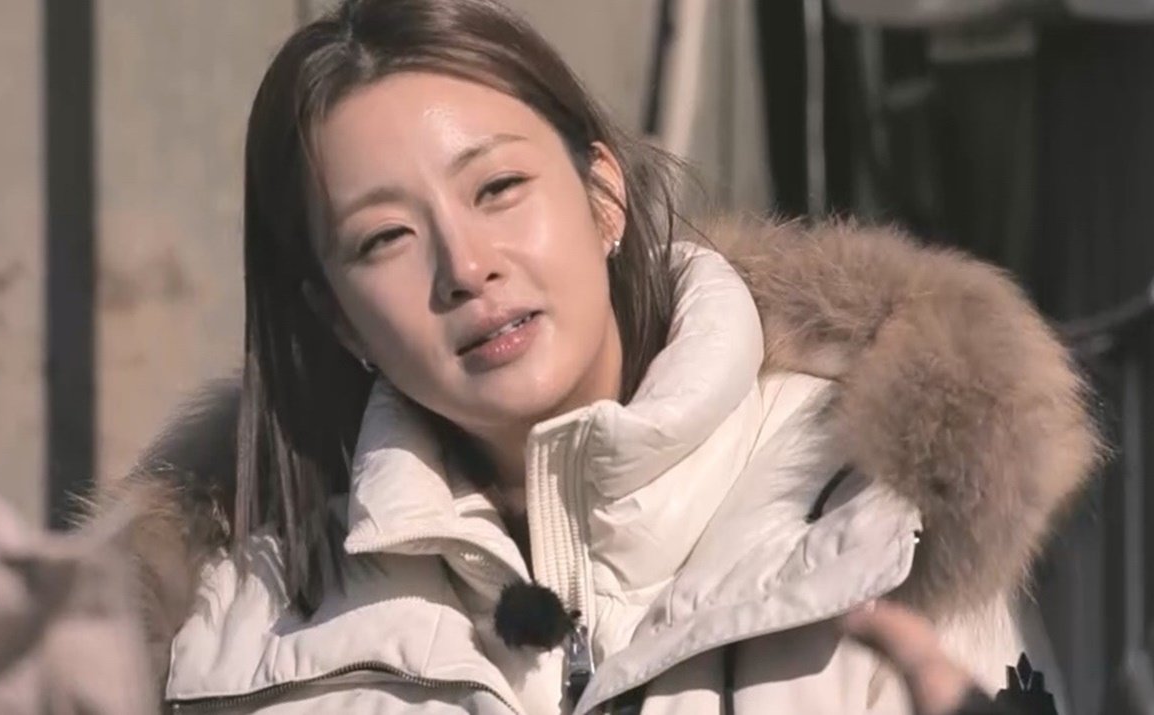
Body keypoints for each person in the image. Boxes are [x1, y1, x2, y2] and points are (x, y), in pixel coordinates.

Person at [93, 0, 1102, 712]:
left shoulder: (874, 512)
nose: (467, 267)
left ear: (603, 196)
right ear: (340, 320)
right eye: (385, 238)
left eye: (497, 189)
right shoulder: (233, 628)